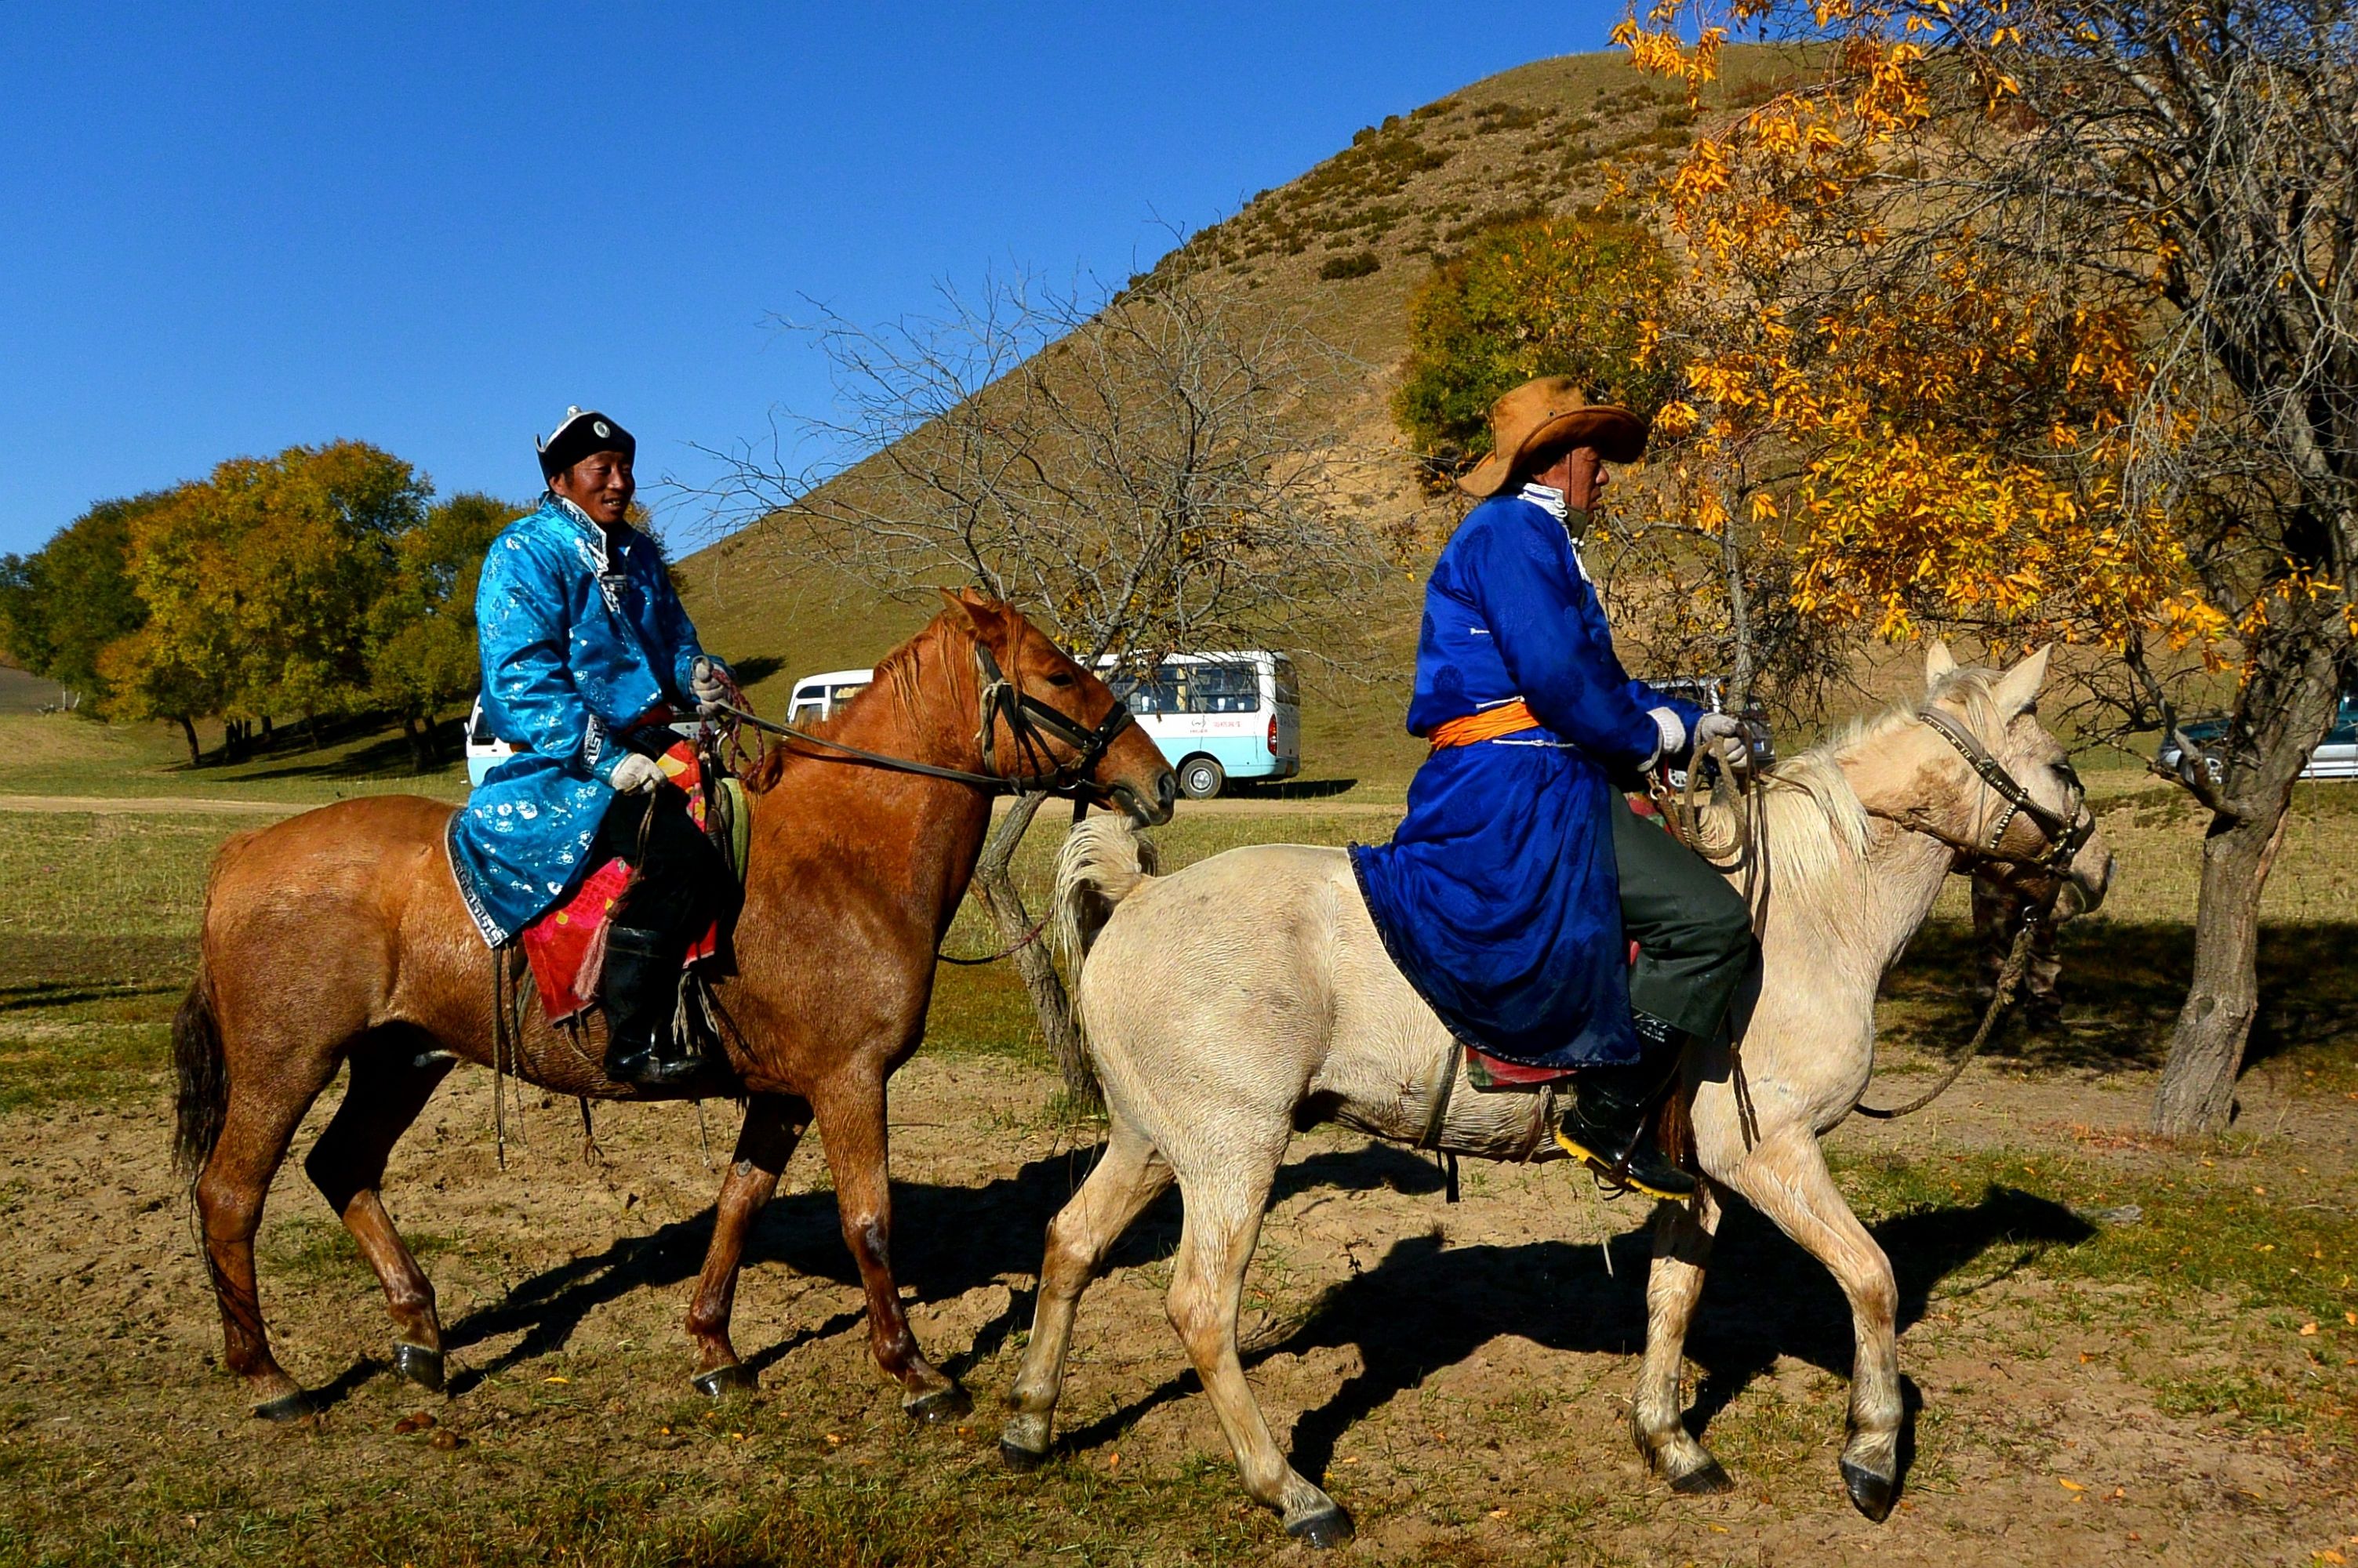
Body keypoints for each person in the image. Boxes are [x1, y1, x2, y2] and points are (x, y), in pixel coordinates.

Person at [1351, 377, 1758, 1199]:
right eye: (1595, 458)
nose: (1604, 474)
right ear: (1560, 459)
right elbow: (1557, 680)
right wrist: (1653, 737)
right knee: (1712, 922)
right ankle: (1607, 1114)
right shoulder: (1509, 533)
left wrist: (1689, 723)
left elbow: (1597, 682)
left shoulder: (1531, 538)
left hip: (1538, 767)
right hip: (1513, 785)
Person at [445, 408, 736, 1087]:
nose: (619, 482)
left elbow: (673, 644)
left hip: (652, 745)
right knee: (680, 858)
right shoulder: (524, 553)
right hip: (563, 768)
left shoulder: (636, 553)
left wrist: (699, 674)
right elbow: (520, 680)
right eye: (601, 471)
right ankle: (632, 1042)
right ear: (559, 479)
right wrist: (609, 760)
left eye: (624, 468)